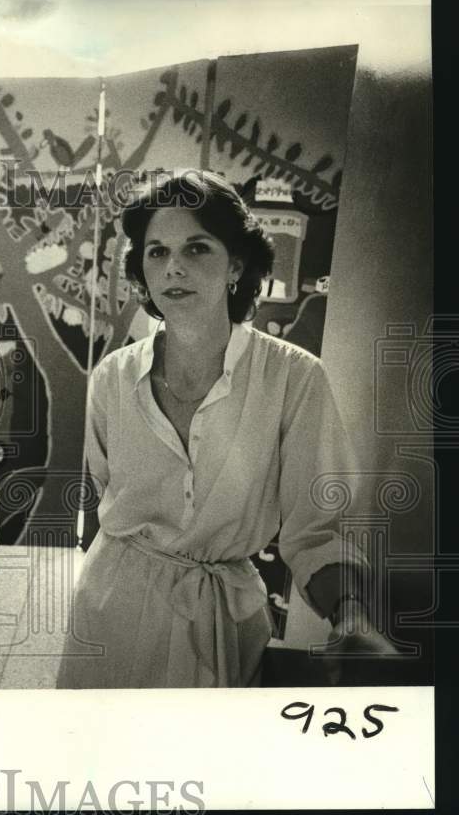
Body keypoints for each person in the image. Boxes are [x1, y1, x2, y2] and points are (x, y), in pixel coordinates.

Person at [57, 170, 394, 688]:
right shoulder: (112, 379)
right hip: (110, 611)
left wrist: (350, 617)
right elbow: (106, 496)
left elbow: (317, 531)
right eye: (157, 252)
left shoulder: (293, 377)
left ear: (235, 264)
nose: (173, 268)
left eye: (197, 249)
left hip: (221, 623)